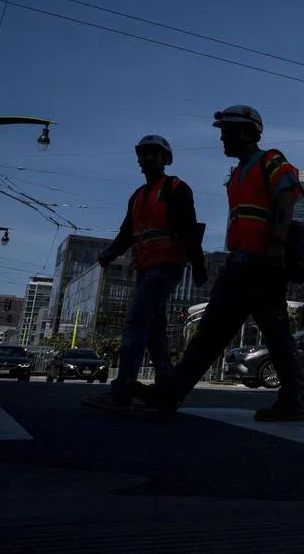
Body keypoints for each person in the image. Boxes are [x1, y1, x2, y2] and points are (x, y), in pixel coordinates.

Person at [134, 105, 304, 421]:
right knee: (210, 333)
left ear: (245, 131)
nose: (223, 139)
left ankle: (293, 399)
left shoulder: (270, 160)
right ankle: (170, 393)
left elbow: (286, 199)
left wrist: (278, 244)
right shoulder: (238, 172)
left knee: (275, 331)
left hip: (263, 264)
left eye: (227, 131)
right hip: (238, 264)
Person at [83, 136, 206, 411]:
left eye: (153, 154)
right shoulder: (137, 197)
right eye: (143, 154)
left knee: (137, 320)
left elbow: (189, 227)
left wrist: (198, 264)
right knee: (154, 330)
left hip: (167, 265)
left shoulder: (176, 188)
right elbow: (127, 233)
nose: (146, 159)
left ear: (166, 159)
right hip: (145, 267)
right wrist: (109, 254)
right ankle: (166, 386)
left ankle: (123, 387)